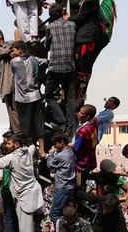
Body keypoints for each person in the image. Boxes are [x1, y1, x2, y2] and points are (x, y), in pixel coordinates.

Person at [10, 41, 47, 159]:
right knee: (39, 124)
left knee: (26, 127)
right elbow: (45, 62)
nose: (11, 52)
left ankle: (30, 150)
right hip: (35, 95)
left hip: (22, 98)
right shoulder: (34, 60)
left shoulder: (14, 62)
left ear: (20, 50)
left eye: (13, 50)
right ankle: (42, 150)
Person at [44, 3, 77, 137]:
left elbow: (47, 46)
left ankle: (61, 121)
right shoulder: (72, 25)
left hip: (55, 67)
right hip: (69, 66)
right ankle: (70, 127)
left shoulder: (51, 27)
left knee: (48, 95)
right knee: (70, 98)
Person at [0, 29, 20, 133]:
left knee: (18, 108)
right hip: (6, 83)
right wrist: (14, 48)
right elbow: (7, 51)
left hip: (17, 80)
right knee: (11, 110)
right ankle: (17, 132)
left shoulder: (10, 43)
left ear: (0, 36)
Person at [46, 133, 76, 224]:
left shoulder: (61, 155)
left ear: (62, 142)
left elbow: (50, 164)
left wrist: (51, 153)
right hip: (70, 186)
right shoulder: (70, 151)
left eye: (56, 144)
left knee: (54, 214)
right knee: (65, 211)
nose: (54, 146)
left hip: (62, 187)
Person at [70, 104, 98, 188]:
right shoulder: (95, 121)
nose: (78, 113)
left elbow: (75, 147)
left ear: (87, 117)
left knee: (79, 185)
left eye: (81, 113)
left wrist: (64, 145)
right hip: (90, 158)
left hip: (82, 162)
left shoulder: (83, 131)